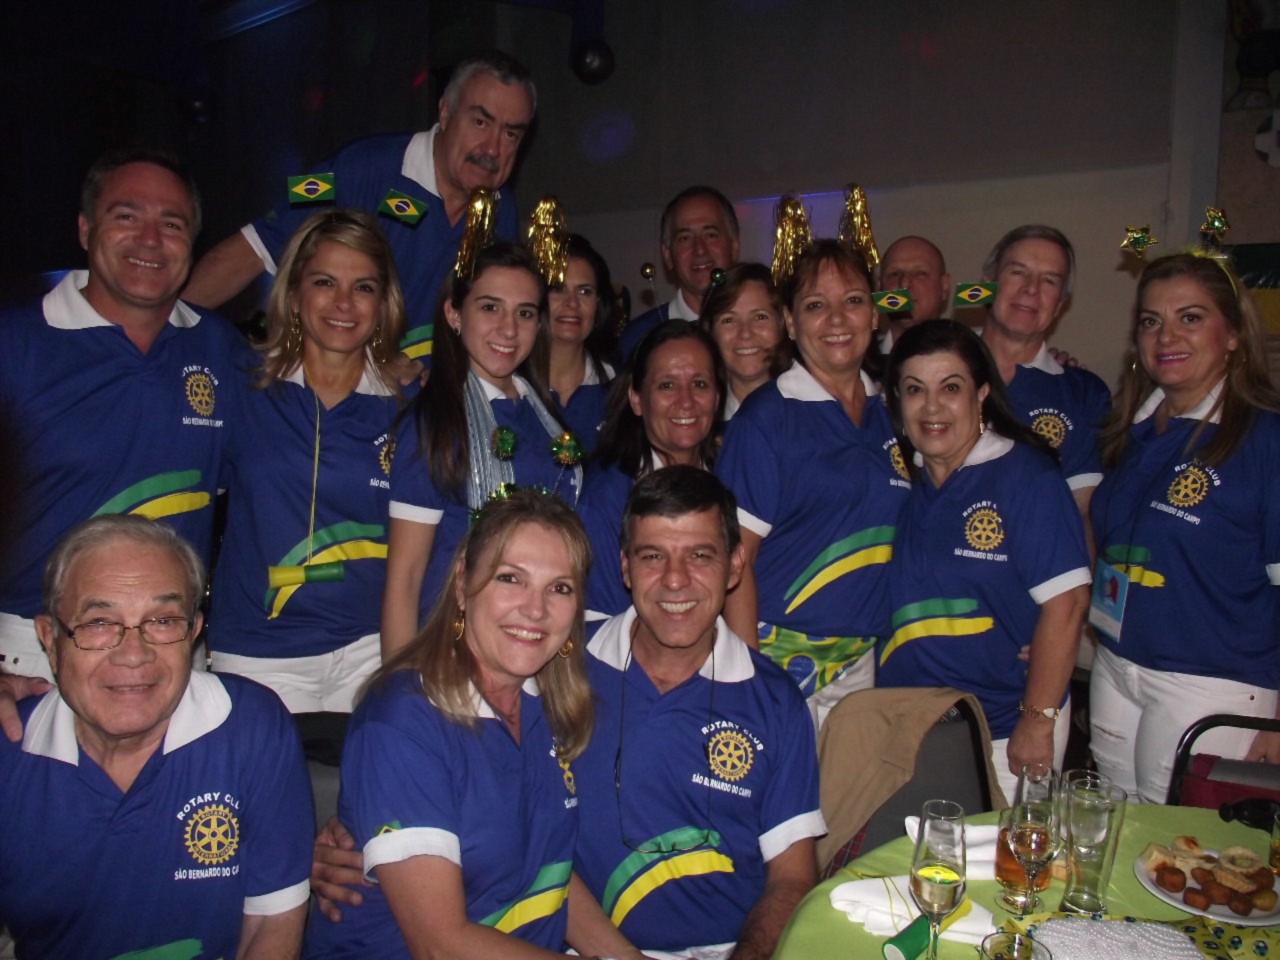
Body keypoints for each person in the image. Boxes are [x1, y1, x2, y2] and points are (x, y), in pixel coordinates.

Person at [304, 491, 647, 959]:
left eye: (560, 588)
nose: (536, 609)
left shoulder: (547, 704)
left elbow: (550, 877)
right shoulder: (404, 721)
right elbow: (441, 946)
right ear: (463, 583)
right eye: (510, 578)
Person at [0, 515, 313, 958]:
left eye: (162, 620)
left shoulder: (251, 728)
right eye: (99, 623)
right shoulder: (10, 750)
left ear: (194, 632)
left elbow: (271, 924)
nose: (134, 654)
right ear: (50, 640)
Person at [0, 146, 253, 683]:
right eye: (127, 216)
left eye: (172, 223)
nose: (150, 239)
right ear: (85, 229)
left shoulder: (221, 349)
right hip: (31, 656)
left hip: (171, 649)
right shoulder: (15, 343)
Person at [574, 466, 824, 958]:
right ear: (625, 567)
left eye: (700, 556)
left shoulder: (775, 700)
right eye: (653, 556)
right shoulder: (562, 668)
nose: (675, 580)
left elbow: (793, 878)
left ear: (734, 566)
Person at [183, 51, 534, 364]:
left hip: (429, 403)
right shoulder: (359, 167)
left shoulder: (502, 211)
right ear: (445, 111)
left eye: (511, 134)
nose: (492, 149)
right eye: (480, 122)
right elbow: (254, 247)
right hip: (336, 391)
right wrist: (168, 328)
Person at [1088, 252, 1280, 803]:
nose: (1166, 336)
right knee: (1115, 829)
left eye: (1190, 317)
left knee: (1184, 843)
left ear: (1234, 334)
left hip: (1210, 682)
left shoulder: (1264, 440)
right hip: (1117, 666)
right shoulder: (1135, 431)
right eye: (1151, 321)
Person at [877, 321, 1091, 798]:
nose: (932, 407)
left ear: (982, 394)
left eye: (950, 388)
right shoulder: (900, 480)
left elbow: (1069, 604)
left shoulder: (1025, 478)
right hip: (907, 727)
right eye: (915, 390)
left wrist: (1037, 721)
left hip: (1001, 731)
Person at [207, 209, 407, 716]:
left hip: (371, 647)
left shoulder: (409, 406)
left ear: (383, 303)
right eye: (324, 282)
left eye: (363, 287)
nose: (344, 303)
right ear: (294, 292)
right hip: (258, 647)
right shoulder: (243, 384)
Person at [717, 240, 910, 722]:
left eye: (853, 300)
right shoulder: (766, 420)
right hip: (781, 665)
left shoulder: (896, 413)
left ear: (874, 314)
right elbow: (735, 561)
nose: (837, 319)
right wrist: (750, 682)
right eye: (816, 305)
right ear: (790, 321)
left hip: (871, 662)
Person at [381, 242, 581, 659]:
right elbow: (405, 578)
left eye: (525, 313)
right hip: (457, 650)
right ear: (454, 314)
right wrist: (400, 687)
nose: (509, 330)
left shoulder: (547, 416)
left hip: (540, 638)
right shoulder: (435, 423)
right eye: (491, 307)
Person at [579, 320, 725, 621]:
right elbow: (600, 622)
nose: (686, 402)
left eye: (700, 384)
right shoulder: (607, 497)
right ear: (637, 399)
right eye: (667, 385)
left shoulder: (734, 473)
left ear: (718, 398)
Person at [979, 226, 1111, 539]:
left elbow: (1084, 512)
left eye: (1049, 280)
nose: (1031, 289)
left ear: (1060, 304)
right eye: (1018, 272)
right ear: (988, 283)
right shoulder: (936, 368)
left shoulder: (1083, 394)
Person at [616, 186, 740, 361]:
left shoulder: (760, 331)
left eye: (711, 235)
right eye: (685, 238)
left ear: (734, 247)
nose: (700, 250)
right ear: (668, 255)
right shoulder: (638, 338)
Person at [540, 234, 616, 453]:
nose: (572, 303)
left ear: (598, 304)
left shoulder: (619, 389)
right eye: (557, 288)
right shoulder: (510, 387)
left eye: (584, 292)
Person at [698, 263, 791, 419]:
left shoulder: (814, 410)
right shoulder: (698, 418)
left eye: (760, 317)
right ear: (711, 332)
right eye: (729, 320)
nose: (745, 333)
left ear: (784, 324)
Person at [877, 235, 952, 353]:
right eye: (894, 274)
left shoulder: (970, 358)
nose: (904, 283)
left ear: (944, 287)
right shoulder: (860, 361)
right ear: (880, 288)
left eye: (920, 274)